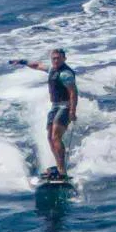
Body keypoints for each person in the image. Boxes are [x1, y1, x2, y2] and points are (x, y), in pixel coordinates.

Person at [20, 48, 83, 177]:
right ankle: (59, 166)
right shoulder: (52, 69)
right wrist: (23, 62)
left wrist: (72, 111)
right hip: (55, 107)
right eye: (53, 58)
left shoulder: (66, 74)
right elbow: (37, 65)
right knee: (50, 137)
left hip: (65, 107)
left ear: (64, 59)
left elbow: (73, 93)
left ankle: (62, 170)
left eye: (58, 58)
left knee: (56, 137)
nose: (55, 60)